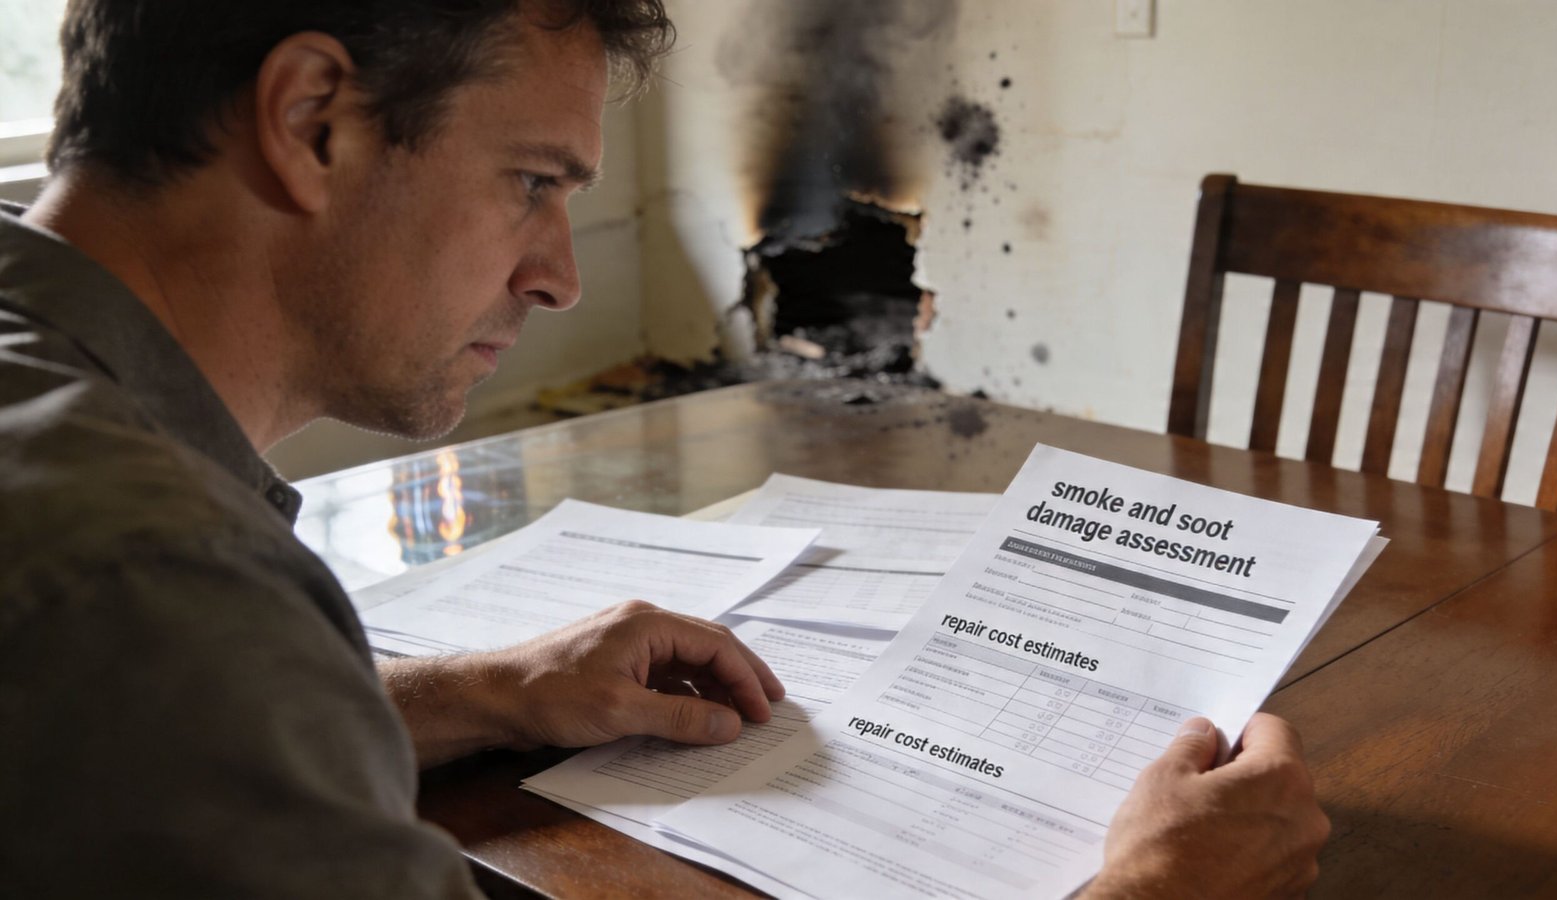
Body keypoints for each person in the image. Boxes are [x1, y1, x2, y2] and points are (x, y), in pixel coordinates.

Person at [0, 1, 1328, 896]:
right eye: (532, 181)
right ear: (312, 122)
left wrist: (469, 692)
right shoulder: (157, 591)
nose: (562, 279)